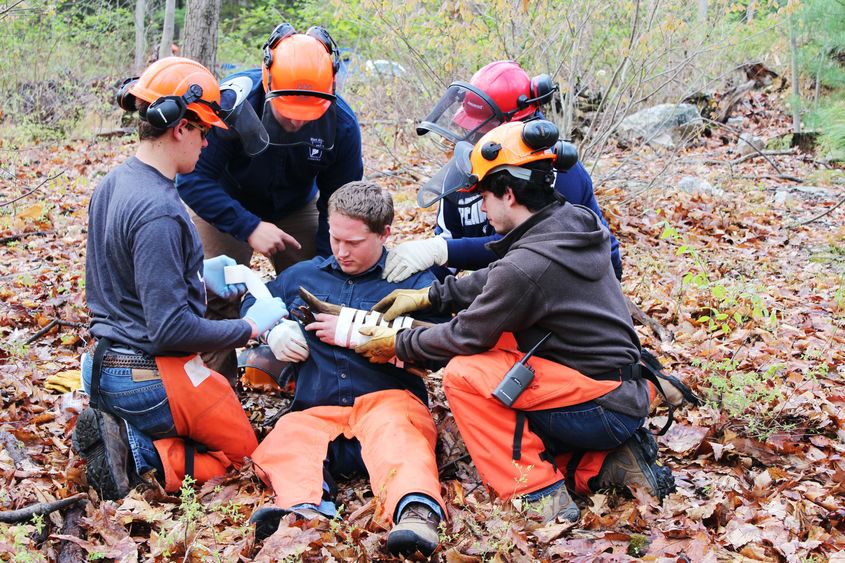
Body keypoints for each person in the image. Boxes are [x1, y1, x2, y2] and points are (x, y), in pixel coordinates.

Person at [356, 120, 693, 524]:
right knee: (503, 352)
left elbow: (468, 333)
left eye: (484, 196)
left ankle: (539, 495)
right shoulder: (570, 222)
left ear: (509, 194)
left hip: (600, 405)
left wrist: (398, 344)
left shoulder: (529, 265)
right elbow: (498, 278)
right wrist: (432, 295)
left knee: (466, 374)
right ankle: (605, 463)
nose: (482, 207)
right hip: (617, 391)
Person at [74, 57, 288, 500]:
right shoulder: (160, 212)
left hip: (103, 364)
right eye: (205, 131)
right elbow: (171, 330)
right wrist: (250, 327)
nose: (207, 145)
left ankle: (133, 431)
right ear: (180, 128)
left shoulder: (116, 182)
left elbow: (127, 275)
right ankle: (140, 455)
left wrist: (196, 274)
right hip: (149, 376)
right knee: (246, 460)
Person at [242, 182, 447, 556]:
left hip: (387, 404)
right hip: (316, 409)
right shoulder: (304, 275)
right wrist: (272, 329)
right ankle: (301, 512)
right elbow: (249, 295)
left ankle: (416, 513)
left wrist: (361, 334)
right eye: (335, 238)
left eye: (353, 242)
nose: (341, 250)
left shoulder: (413, 281)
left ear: (385, 233)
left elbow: (443, 345)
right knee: (286, 437)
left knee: (401, 436)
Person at [176, 23, 364, 381]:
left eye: (307, 112)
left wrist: (327, 260)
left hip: (296, 205)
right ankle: (218, 388)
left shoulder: (341, 125)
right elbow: (192, 179)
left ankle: (308, 375)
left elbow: (341, 203)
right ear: (267, 82)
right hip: (225, 202)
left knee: (319, 285)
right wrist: (249, 227)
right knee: (214, 293)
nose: (295, 120)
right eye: (287, 109)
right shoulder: (231, 104)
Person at [384, 60, 623, 283]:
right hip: (509, 281)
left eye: (482, 129)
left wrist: (443, 252)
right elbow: (449, 241)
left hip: (580, 281)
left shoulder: (552, 171)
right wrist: (420, 284)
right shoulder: (465, 166)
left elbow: (529, 249)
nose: (475, 136)